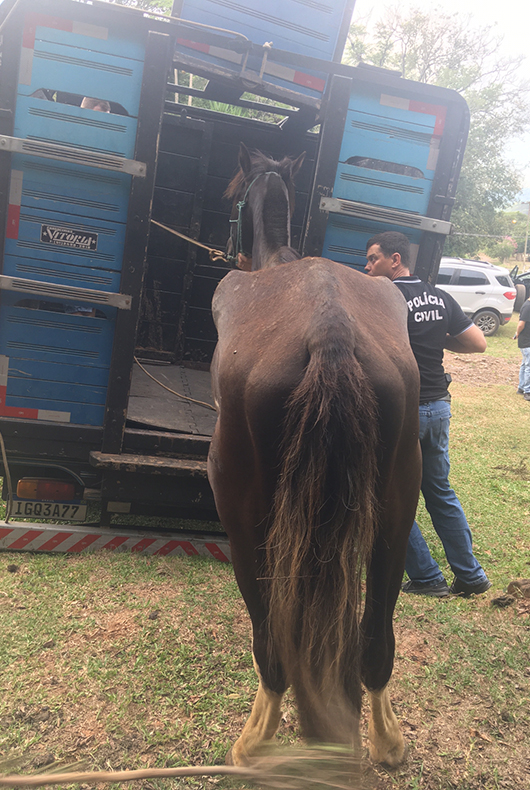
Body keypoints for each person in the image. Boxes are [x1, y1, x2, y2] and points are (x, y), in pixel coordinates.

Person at [365, 231, 491, 598]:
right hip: (438, 407)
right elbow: (477, 343)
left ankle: (426, 576)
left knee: (383, 493)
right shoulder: (438, 296)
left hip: (403, 410)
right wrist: (437, 339)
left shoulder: (384, 298)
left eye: (374, 258)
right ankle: (471, 575)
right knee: (439, 491)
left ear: (395, 260)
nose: (368, 266)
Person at [515, 294, 530, 400]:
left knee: (525, 365)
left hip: (526, 341)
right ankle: (527, 391)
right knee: (528, 366)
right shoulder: (528, 306)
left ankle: (521, 388)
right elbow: (521, 324)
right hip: (526, 341)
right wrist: (518, 333)